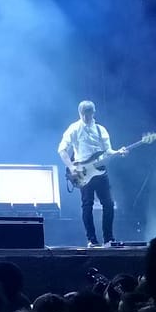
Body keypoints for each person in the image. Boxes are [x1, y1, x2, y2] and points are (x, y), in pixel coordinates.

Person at [58, 100, 126, 248]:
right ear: (79, 113)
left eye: (88, 115)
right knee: (87, 205)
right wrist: (71, 167)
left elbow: (108, 151)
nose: (86, 118)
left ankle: (109, 239)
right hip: (83, 172)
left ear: (93, 113)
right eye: (83, 115)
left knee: (108, 204)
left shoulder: (101, 130)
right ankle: (92, 240)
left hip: (100, 170)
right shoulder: (74, 129)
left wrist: (118, 152)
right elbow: (62, 149)